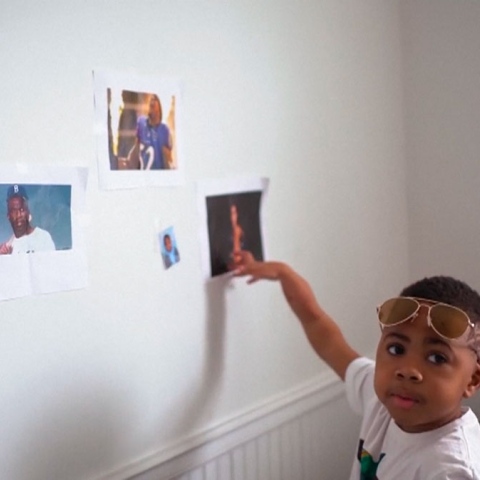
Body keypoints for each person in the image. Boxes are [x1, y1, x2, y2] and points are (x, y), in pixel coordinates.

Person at [233, 251, 480, 479]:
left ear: (473, 380)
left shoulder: (450, 470)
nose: (407, 370)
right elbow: (325, 335)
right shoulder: (382, 402)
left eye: (437, 357)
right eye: (396, 349)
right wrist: (285, 274)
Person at [0, 185, 56, 255]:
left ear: (28, 211)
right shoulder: (7, 248)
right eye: (14, 211)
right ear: (8, 216)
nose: (18, 215)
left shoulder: (43, 237)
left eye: (22, 209)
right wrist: (4, 260)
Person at [127, 94, 173, 170]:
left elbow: (169, 160)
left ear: (160, 108)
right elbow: (136, 148)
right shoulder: (141, 122)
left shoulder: (164, 130)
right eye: (151, 100)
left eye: (155, 99)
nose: (152, 100)